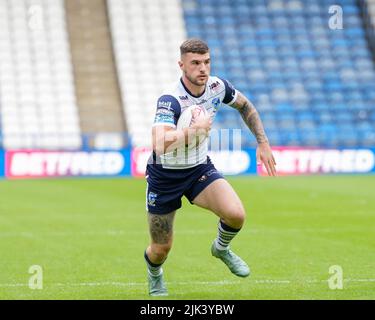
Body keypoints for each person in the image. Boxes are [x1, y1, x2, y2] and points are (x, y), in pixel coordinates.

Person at [144, 38, 276, 296]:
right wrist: (194, 130)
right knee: (161, 249)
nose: (202, 68)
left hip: (198, 169)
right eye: (195, 63)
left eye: (206, 62)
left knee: (236, 214)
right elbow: (159, 143)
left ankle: (221, 249)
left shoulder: (217, 86)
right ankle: (155, 274)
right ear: (181, 65)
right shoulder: (170, 99)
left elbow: (246, 106)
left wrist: (263, 142)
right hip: (165, 176)